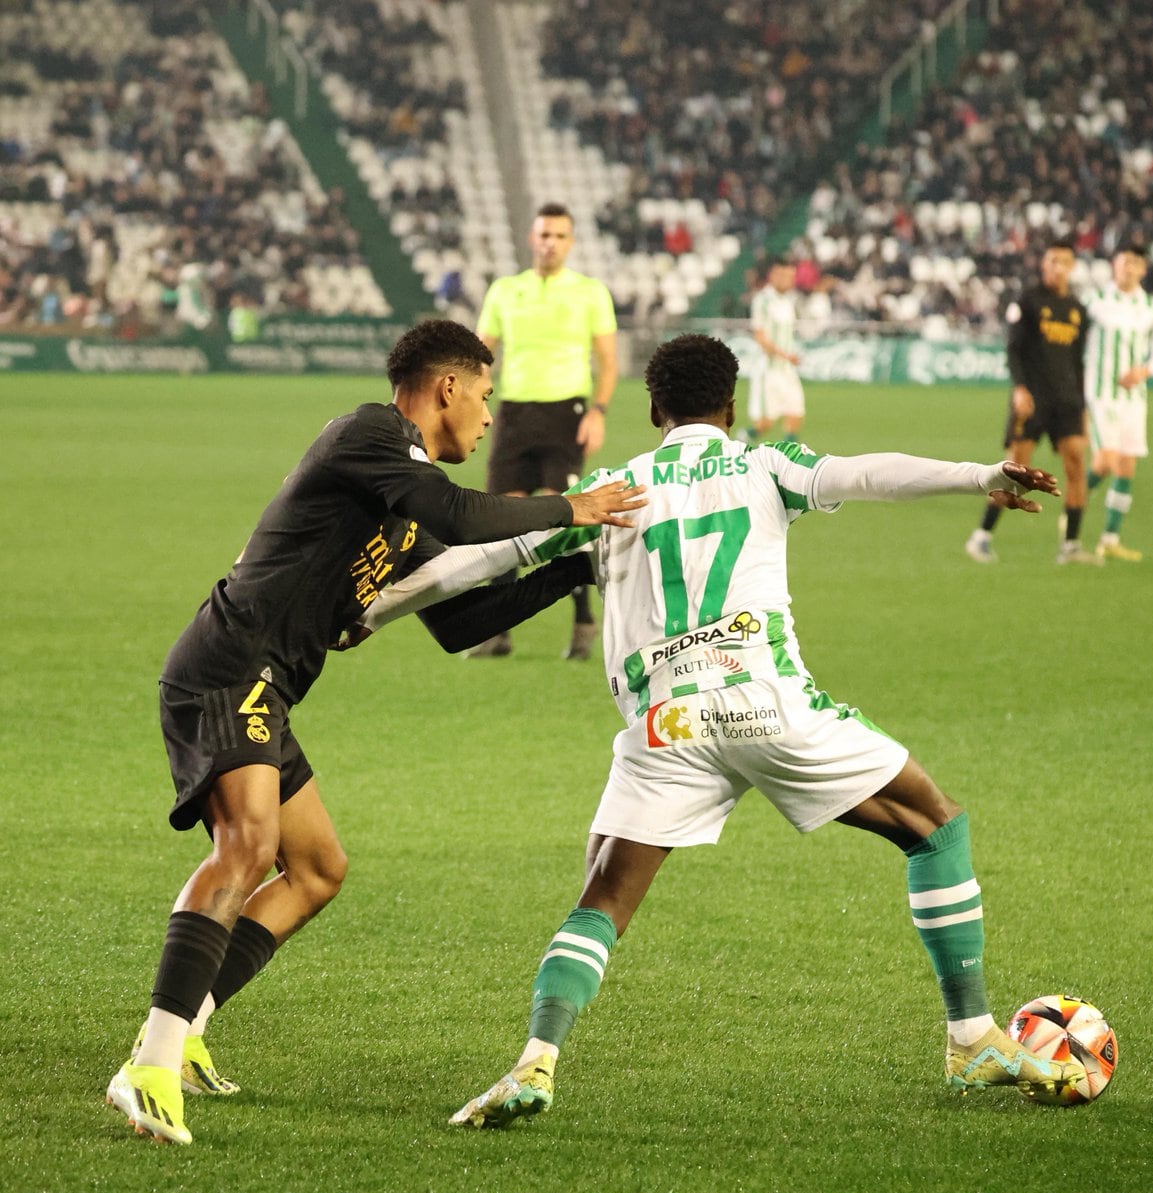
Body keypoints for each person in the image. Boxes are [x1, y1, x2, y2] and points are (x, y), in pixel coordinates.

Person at [353, 333, 1083, 1128]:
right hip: (767, 703)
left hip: (667, 722)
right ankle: (972, 1036)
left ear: (654, 408)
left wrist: (368, 613)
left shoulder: (613, 488)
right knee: (934, 828)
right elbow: (870, 472)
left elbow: (484, 559)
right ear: (731, 409)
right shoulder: (765, 466)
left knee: (602, 894)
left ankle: (536, 1060)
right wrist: (981, 475)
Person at [104, 319, 645, 1146]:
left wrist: (580, 563)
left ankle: (186, 1030)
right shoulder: (370, 436)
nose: (490, 418)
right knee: (247, 848)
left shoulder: (401, 499)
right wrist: (572, 506)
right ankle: (147, 1063)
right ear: (448, 388)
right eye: (487, 398)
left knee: (316, 869)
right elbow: (461, 515)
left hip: (268, 686)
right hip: (228, 666)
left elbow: (461, 620)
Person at [466, 202, 618, 661]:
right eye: (544, 235)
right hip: (514, 414)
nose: (550, 243)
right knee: (499, 521)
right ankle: (497, 631)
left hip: (565, 414)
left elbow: (608, 363)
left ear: (570, 243)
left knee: (562, 518)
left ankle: (582, 622)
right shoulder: (505, 291)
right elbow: (478, 355)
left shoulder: (590, 293)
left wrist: (598, 412)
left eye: (559, 236)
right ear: (532, 239)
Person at [965, 240, 1098, 565]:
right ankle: (981, 536)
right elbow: (1013, 349)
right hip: (1033, 399)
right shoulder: (1028, 301)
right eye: (1052, 261)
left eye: (1063, 261)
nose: (1057, 267)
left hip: (1067, 402)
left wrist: (1082, 406)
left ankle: (1070, 546)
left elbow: (1079, 361)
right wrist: (1020, 389)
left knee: (1076, 467)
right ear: (1043, 265)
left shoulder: (1078, 309)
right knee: (1016, 469)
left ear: (1072, 266)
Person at [1082, 244, 1153, 562]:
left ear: (1143, 269)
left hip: (1134, 398)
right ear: (1113, 266)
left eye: (1135, 263)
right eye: (1123, 262)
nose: (1128, 268)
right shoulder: (1094, 301)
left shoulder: (1150, 305)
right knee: (1104, 461)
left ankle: (1110, 538)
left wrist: (1144, 370)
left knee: (1126, 466)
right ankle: (1075, 504)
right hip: (1100, 394)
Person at [745, 257, 805, 443]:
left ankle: (789, 464)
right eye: (786, 276)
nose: (790, 280)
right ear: (774, 275)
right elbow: (760, 337)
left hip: (787, 369)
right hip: (768, 370)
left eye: (791, 276)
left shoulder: (787, 301)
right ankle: (737, 447)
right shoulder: (763, 301)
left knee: (795, 415)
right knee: (764, 425)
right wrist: (786, 355)